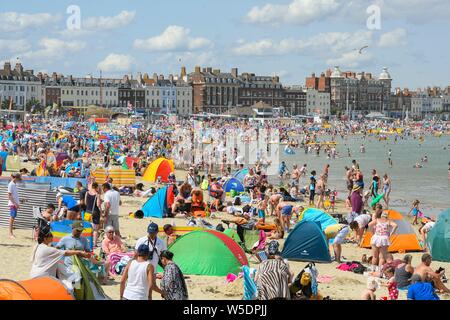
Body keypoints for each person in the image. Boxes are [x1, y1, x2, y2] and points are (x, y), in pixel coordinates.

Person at [85, 182, 102, 247]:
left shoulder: (87, 193)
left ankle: (87, 242)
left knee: (87, 228)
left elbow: (86, 203)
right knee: (95, 230)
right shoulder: (97, 194)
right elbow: (98, 205)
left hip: (87, 212)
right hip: (95, 212)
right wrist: (101, 212)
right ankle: (94, 244)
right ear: (97, 187)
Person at [7, 173, 21, 239]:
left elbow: (14, 196)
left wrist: (19, 201)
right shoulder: (11, 184)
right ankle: (10, 234)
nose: (19, 180)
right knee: (12, 218)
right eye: (18, 179)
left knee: (12, 218)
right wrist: (15, 204)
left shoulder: (14, 184)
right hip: (13, 204)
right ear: (16, 178)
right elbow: (9, 196)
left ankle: (11, 233)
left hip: (14, 204)